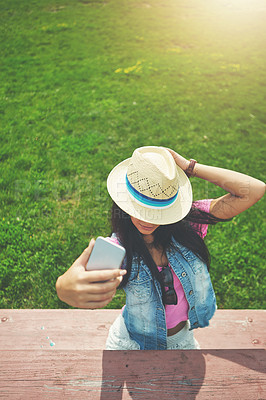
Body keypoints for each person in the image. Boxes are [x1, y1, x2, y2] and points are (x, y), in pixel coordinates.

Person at [56, 146, 265, 350]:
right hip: (129, 343)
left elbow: (253, 190)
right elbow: (76, 281)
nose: (146, 219)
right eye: (138, 208)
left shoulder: (190, 225)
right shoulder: (117, 248)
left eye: (157, 208)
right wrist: (63, 287)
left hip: (182, 341)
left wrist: (191, 167)